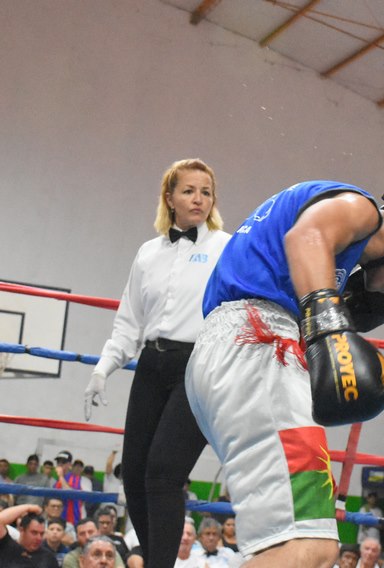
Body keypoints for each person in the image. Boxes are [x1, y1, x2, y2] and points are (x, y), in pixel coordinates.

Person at [185, 180, 384, 568]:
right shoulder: (362, 209)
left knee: (310, 550)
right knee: (306, 547)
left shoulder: (333, 255)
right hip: (258, 346)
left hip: (235, 353)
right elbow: (305, 235)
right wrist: (328, 326)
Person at [84, 158, 231, 568]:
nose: (198, 199)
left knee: (164, 473)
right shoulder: (148, 253)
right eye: (189, 190)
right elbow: (128, 322)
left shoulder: (226, 247)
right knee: (133, 475)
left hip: (197, 367)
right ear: (170, 197)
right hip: (151, 364)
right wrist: (102, 368)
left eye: (206, 192)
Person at [0, 504, 58, 568]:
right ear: (22, 530)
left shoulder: (48, 558)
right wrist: (29, 507)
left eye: (41, 534)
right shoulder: (6, 546)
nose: (39, 538)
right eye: (34, 533)